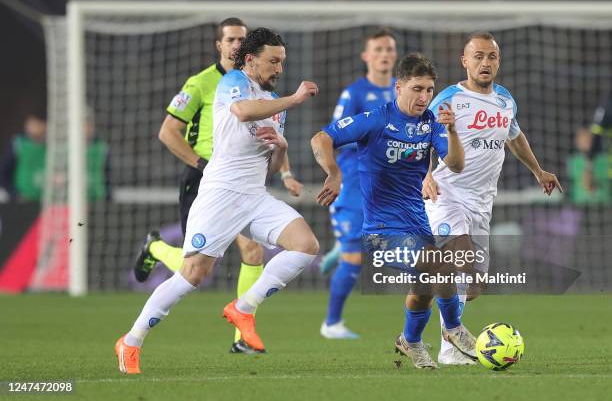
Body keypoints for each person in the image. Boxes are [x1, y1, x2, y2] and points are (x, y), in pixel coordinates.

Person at [115, 27, 320, 374]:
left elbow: (267, 165)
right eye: (274, 61)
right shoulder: (233, 83)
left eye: (283, 62)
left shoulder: (274, 104)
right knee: (192, 274)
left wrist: (281, 150)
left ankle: (244, 307)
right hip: (220, 195)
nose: (280, 70)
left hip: (255, 196)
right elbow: (241, 112)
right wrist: (295, 99)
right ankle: (131, 341)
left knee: (305, 245)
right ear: (251, 60)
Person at [312, 53, 474, 369]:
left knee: (424, 290)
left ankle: (410, 341)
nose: (424, 96)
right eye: (417, 89)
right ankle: (453, 328)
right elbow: (321, 138)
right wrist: (334, 172)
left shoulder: (431, 123)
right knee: (440, 264)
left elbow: (456, 164)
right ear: (399, 87)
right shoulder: (376, 119)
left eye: (429, 89)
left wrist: (452, 131)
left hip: (417, 226)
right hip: (380, 232)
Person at [421, 31, 562, 365]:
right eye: (479, 56)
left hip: (483, 202)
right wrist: (424, 175)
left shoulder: (505, 99)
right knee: (459, 260)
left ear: (499, 61)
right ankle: (450, 349)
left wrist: (538, 171)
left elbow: (514, 137)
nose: (485, 63)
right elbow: (423, 136)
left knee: (474, 285)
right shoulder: (448, 98)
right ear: (465, 61)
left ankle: (425, 297)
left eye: (492, 57)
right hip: (447, 194)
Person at [318, 28, 398, 340]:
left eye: (389, 49)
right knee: (355, 256)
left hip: (391, 183)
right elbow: (331, 136)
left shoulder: (403, 90)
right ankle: (332, 324)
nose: (385, 54)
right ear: (366, 56)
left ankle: (344, 246)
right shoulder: (354, 94)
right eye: (378, 49)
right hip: (354, 182)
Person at [0, 114, 47, 202]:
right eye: (30, 124)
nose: (32, 127)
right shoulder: (17, 144)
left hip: (45, 201)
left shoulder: (52, 146)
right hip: (21, 202)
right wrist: (15, 193)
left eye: (36, 124)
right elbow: (3, 173)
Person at [567, 128, 609, 204]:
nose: (586, 144)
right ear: (577, 143)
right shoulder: (574, 161)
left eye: (588, 140)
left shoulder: (604, 159)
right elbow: (581, 181)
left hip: (602, 203)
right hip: (580, 203)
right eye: (582, 141)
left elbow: (602, 180)